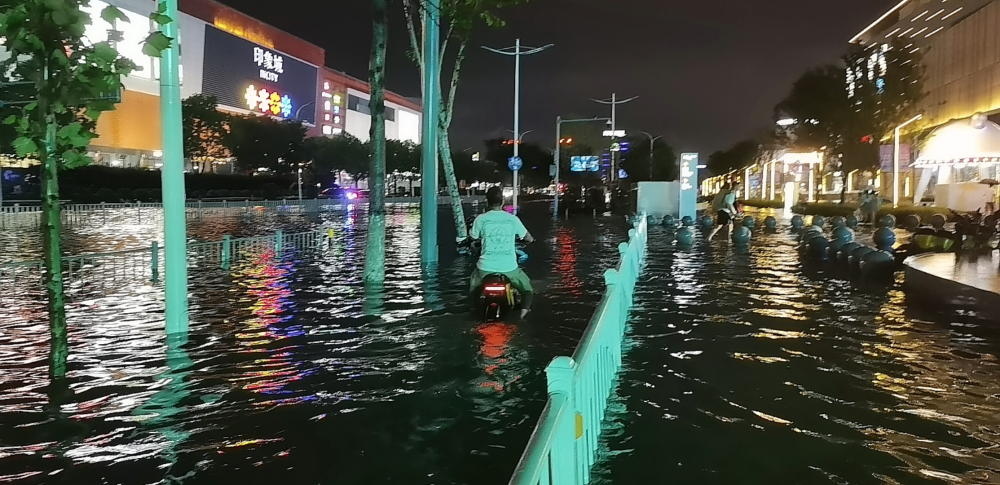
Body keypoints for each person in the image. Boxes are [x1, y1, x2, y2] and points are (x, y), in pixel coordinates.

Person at [468, 186, 536, 319]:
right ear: (503, 201)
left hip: (485, 268)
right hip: (509, 267)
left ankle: (473, 310)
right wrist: (531, 240)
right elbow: (527, 237)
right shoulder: (513, 219)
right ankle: (521, 316)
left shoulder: (480, 219)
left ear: (487, 202)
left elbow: (473, 237)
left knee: (473, 288)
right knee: (527, 290)